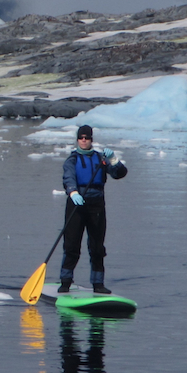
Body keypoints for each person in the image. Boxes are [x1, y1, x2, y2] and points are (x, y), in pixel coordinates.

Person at [60, 124, 127, 295]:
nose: (84, 140)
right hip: (76, 204)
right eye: (81, 138)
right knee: (72, 246)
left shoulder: (100, 159)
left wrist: (113, 160)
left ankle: (98, 283)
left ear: (91, 140)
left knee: (97, 247)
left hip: (96, 206)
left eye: (87, 138)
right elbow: (68, 177)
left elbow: (119, 173)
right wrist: (73, 192)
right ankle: (66, 282)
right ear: (77, 140)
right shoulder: (72, 160)